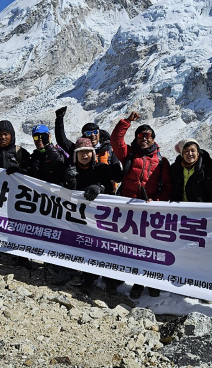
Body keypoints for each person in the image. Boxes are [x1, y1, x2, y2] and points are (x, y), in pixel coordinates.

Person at [111, 111, 171, 299]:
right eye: (141, 136)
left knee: (147, 249)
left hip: (148, 211)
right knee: (123, 244)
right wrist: (126, 122)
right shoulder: (129, 154)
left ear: (153, 139)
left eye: (148, 136)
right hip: (126, 208)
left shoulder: (161, 162)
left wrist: (157, 201)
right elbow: (115, 140)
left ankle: (142, 282)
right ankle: (117, 277)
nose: (144, 139)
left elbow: (168, 187)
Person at [63, 137, 124, 293]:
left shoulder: (101, 169)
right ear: (76, 155)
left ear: (93, 153)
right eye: (81, 152)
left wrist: (100, 187)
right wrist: (70, 181)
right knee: (86, 247)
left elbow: (115, 182)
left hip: (102, 218)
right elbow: (65, 194)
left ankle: (109, 280)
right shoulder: (71, 171)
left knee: (105, 248)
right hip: (80, 218)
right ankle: (88, 279)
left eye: (88, 152)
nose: (85, 155)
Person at [55, 106, 122, 191]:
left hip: (105, 193)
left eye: (95, 132)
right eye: (88, 133)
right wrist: (59, 120)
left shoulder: (109, 150)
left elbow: (118, 174)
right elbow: (62, 141)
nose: (92, 135)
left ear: (99, 133)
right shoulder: (77, 149)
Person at [170, 138, 212, 203]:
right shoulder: (175, 169)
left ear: (198, 152)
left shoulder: (207, 169)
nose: (190, 154)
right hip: (179, 210)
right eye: (186, 151)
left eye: (193, 150)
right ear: (182, 154)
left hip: (200, 210)